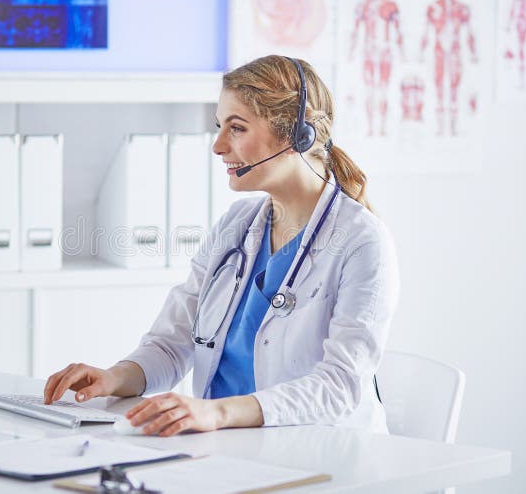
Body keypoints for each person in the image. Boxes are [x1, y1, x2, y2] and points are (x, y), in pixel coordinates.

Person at [44, 55, 400, 436]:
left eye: (236, 128)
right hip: (225, 445)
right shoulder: (237, 224)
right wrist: (114, 378)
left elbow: (339, 387)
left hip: (316, 453)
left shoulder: (362, 242)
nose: (217, 146)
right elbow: (171, 343)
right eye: (219, 127)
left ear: (296, 137)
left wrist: (218, 413)